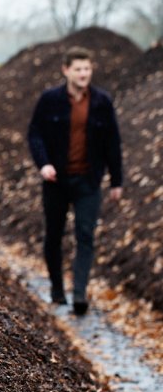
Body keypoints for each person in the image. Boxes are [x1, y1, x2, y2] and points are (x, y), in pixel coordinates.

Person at [27, 46, 123, 316]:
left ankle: (79, 293)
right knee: (54, 235)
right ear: (66, 70)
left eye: (87, 69)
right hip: (56, 180)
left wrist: (116, 181)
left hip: (88, 181)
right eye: (78, 69)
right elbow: (35, 134)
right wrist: (43, 163)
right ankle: (57, 290)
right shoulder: (50, 100)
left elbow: (113, 143)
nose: (83, 74)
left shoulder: (102, 102)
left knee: (85, 234)